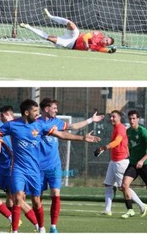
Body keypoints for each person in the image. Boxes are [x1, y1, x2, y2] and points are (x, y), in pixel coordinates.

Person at [0, 99, 100, 233]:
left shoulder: (40, 125)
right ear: (26, 112)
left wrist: (82, 138)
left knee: (36, 201)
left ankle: (41, 228)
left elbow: (61, 134)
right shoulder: (12, 125)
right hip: (18, 170)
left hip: (35, 170)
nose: (37, 113)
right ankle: (15, 231)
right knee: (18, 198)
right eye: (34, 111)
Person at [37, 98, 104, 233]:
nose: (56, 111)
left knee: (56, 193)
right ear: (46, 109)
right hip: (37, 166)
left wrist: (90, 120)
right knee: (37, 198)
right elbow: (62, 135)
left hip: (54, 165)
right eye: (54, 108)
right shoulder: (36, 124)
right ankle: (40, 226)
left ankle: (53, 227)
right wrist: (82, 138)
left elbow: (72, 127)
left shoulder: (56, 122)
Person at [94, 110, 147, 217]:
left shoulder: (121, 128)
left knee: (123, 187)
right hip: (113, 161)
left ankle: (142, 205)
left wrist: (102, 148)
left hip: (121, 162)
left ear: (119, 118)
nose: (111, 118)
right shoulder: (115, 128)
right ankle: (107, 210)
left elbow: (117, 142)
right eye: (110, 117)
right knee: (108, 185)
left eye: (113, 116)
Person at [120, 110, 147, 221]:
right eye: (130, 118)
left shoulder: (144, 132)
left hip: (146, 164)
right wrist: (129, 154)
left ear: (138, 119)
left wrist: (142, 160)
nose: (132, 121)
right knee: (124, 185)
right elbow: (130, 145)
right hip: (133, 163)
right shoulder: (128, 132)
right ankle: (130, 210)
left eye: (134, 118)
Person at [20, 8, 116, 53]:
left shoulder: (100, 47)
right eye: (107, 40)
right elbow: (86, 37)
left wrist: (111, 51)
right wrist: (87, 47)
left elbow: (104, 51)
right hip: (76, 35)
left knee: (49, 38)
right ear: (106, 37)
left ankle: (28, 27)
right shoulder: (98, 34)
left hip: (70, 44)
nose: (106, 43)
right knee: (70, 23)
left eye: (107, 44)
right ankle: (50, 16)